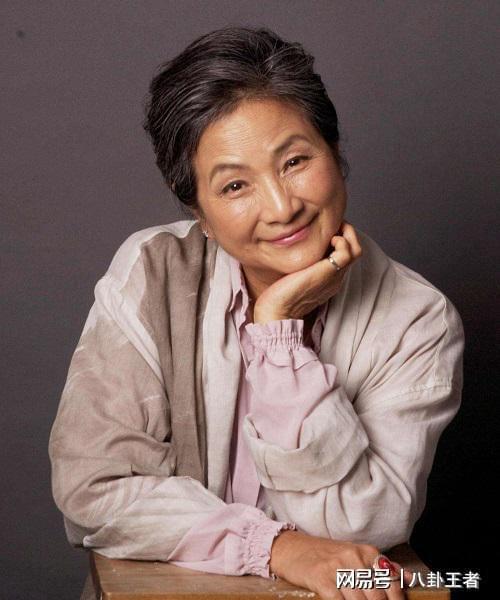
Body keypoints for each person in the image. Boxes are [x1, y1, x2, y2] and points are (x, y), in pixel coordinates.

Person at [48, 26, 465, 600]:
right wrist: (275, 548)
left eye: (295, 160)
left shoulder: (417, 318)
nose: (281, 206)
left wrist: (277, 336)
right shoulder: (153, 272)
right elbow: (95, 488)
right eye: (235, 185)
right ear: (198, 210)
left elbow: (360, 525)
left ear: (335, 152)